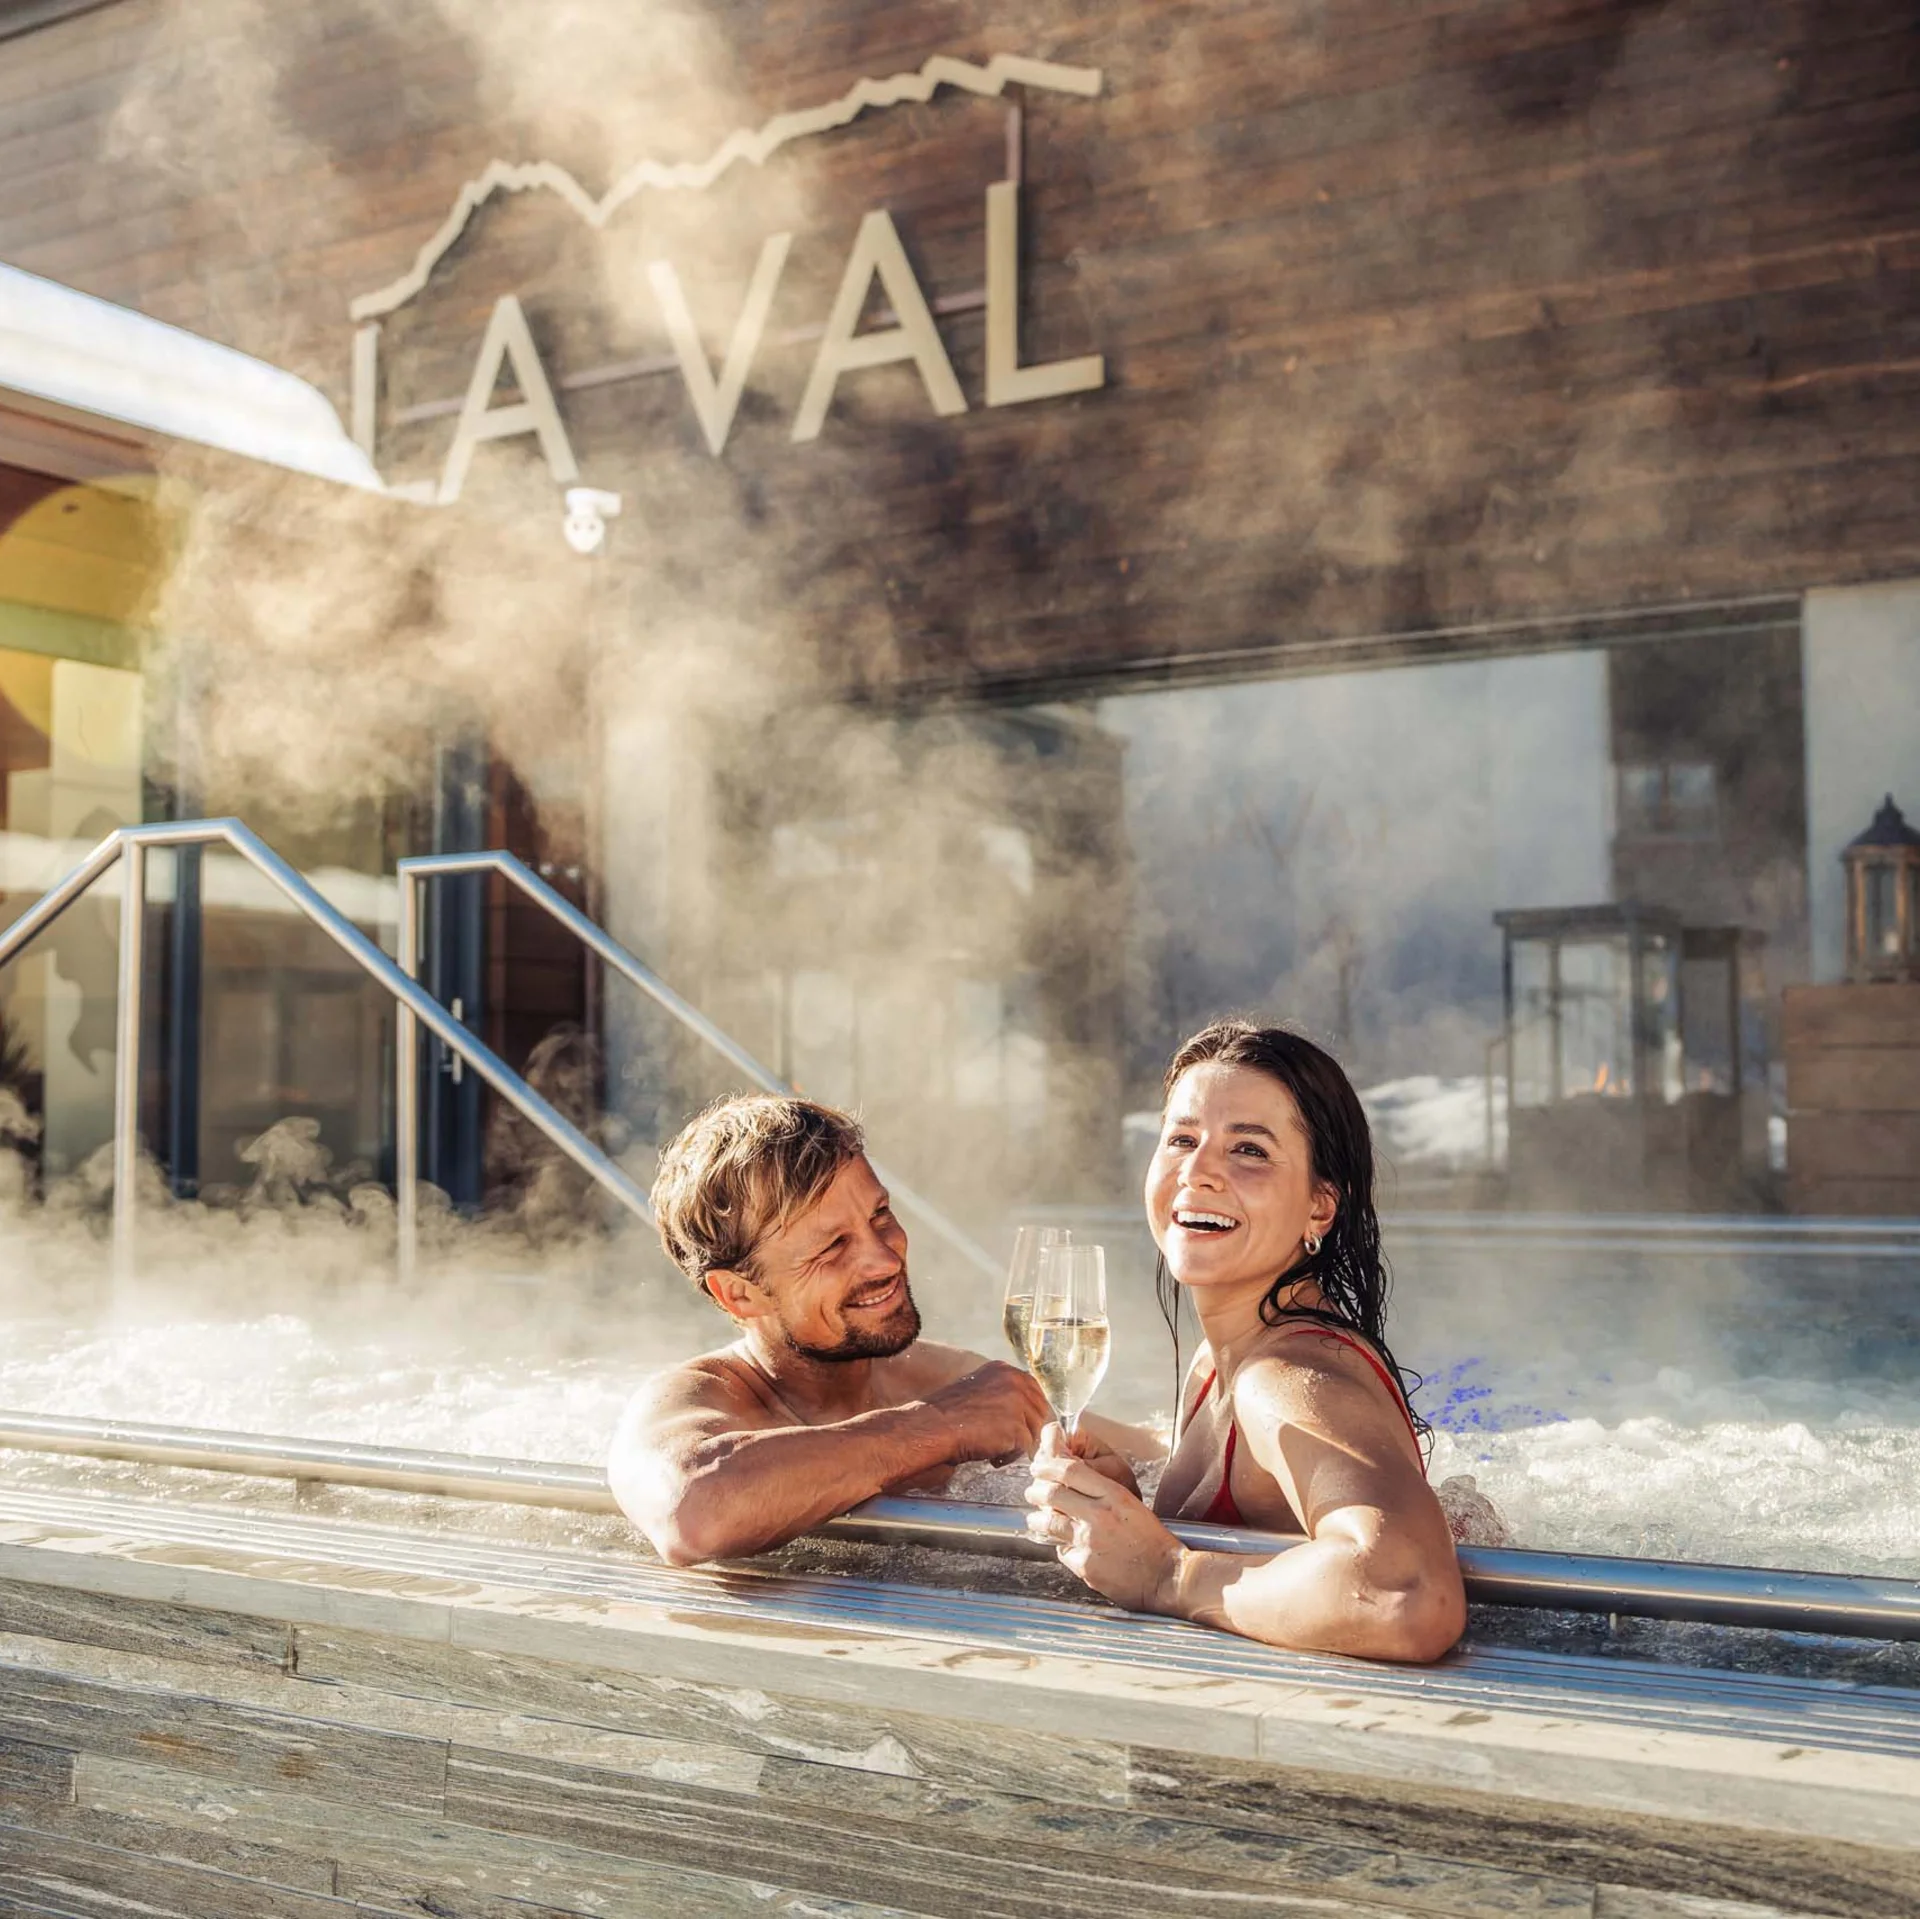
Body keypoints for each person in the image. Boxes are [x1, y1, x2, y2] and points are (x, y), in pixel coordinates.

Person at [1024, 1018, 1466, 1663]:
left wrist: (1165, 1573)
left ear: (1320, 1207)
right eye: (1181, 1139)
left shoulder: (1282, 1377)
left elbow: (1408, 1595)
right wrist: (1131, 1508)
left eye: (1249, 1150)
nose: (1197, 1173)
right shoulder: (1222, 1361)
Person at [610, 1092, 1145, 1566]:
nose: (884, 1258)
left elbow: (1153, 1453)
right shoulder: (693, 1401)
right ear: (739, 1293)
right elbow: (693, 1513)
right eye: (832, 1247)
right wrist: (938, 1427)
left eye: (881, 1214)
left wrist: (1119, 1491)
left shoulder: (939, 1375)